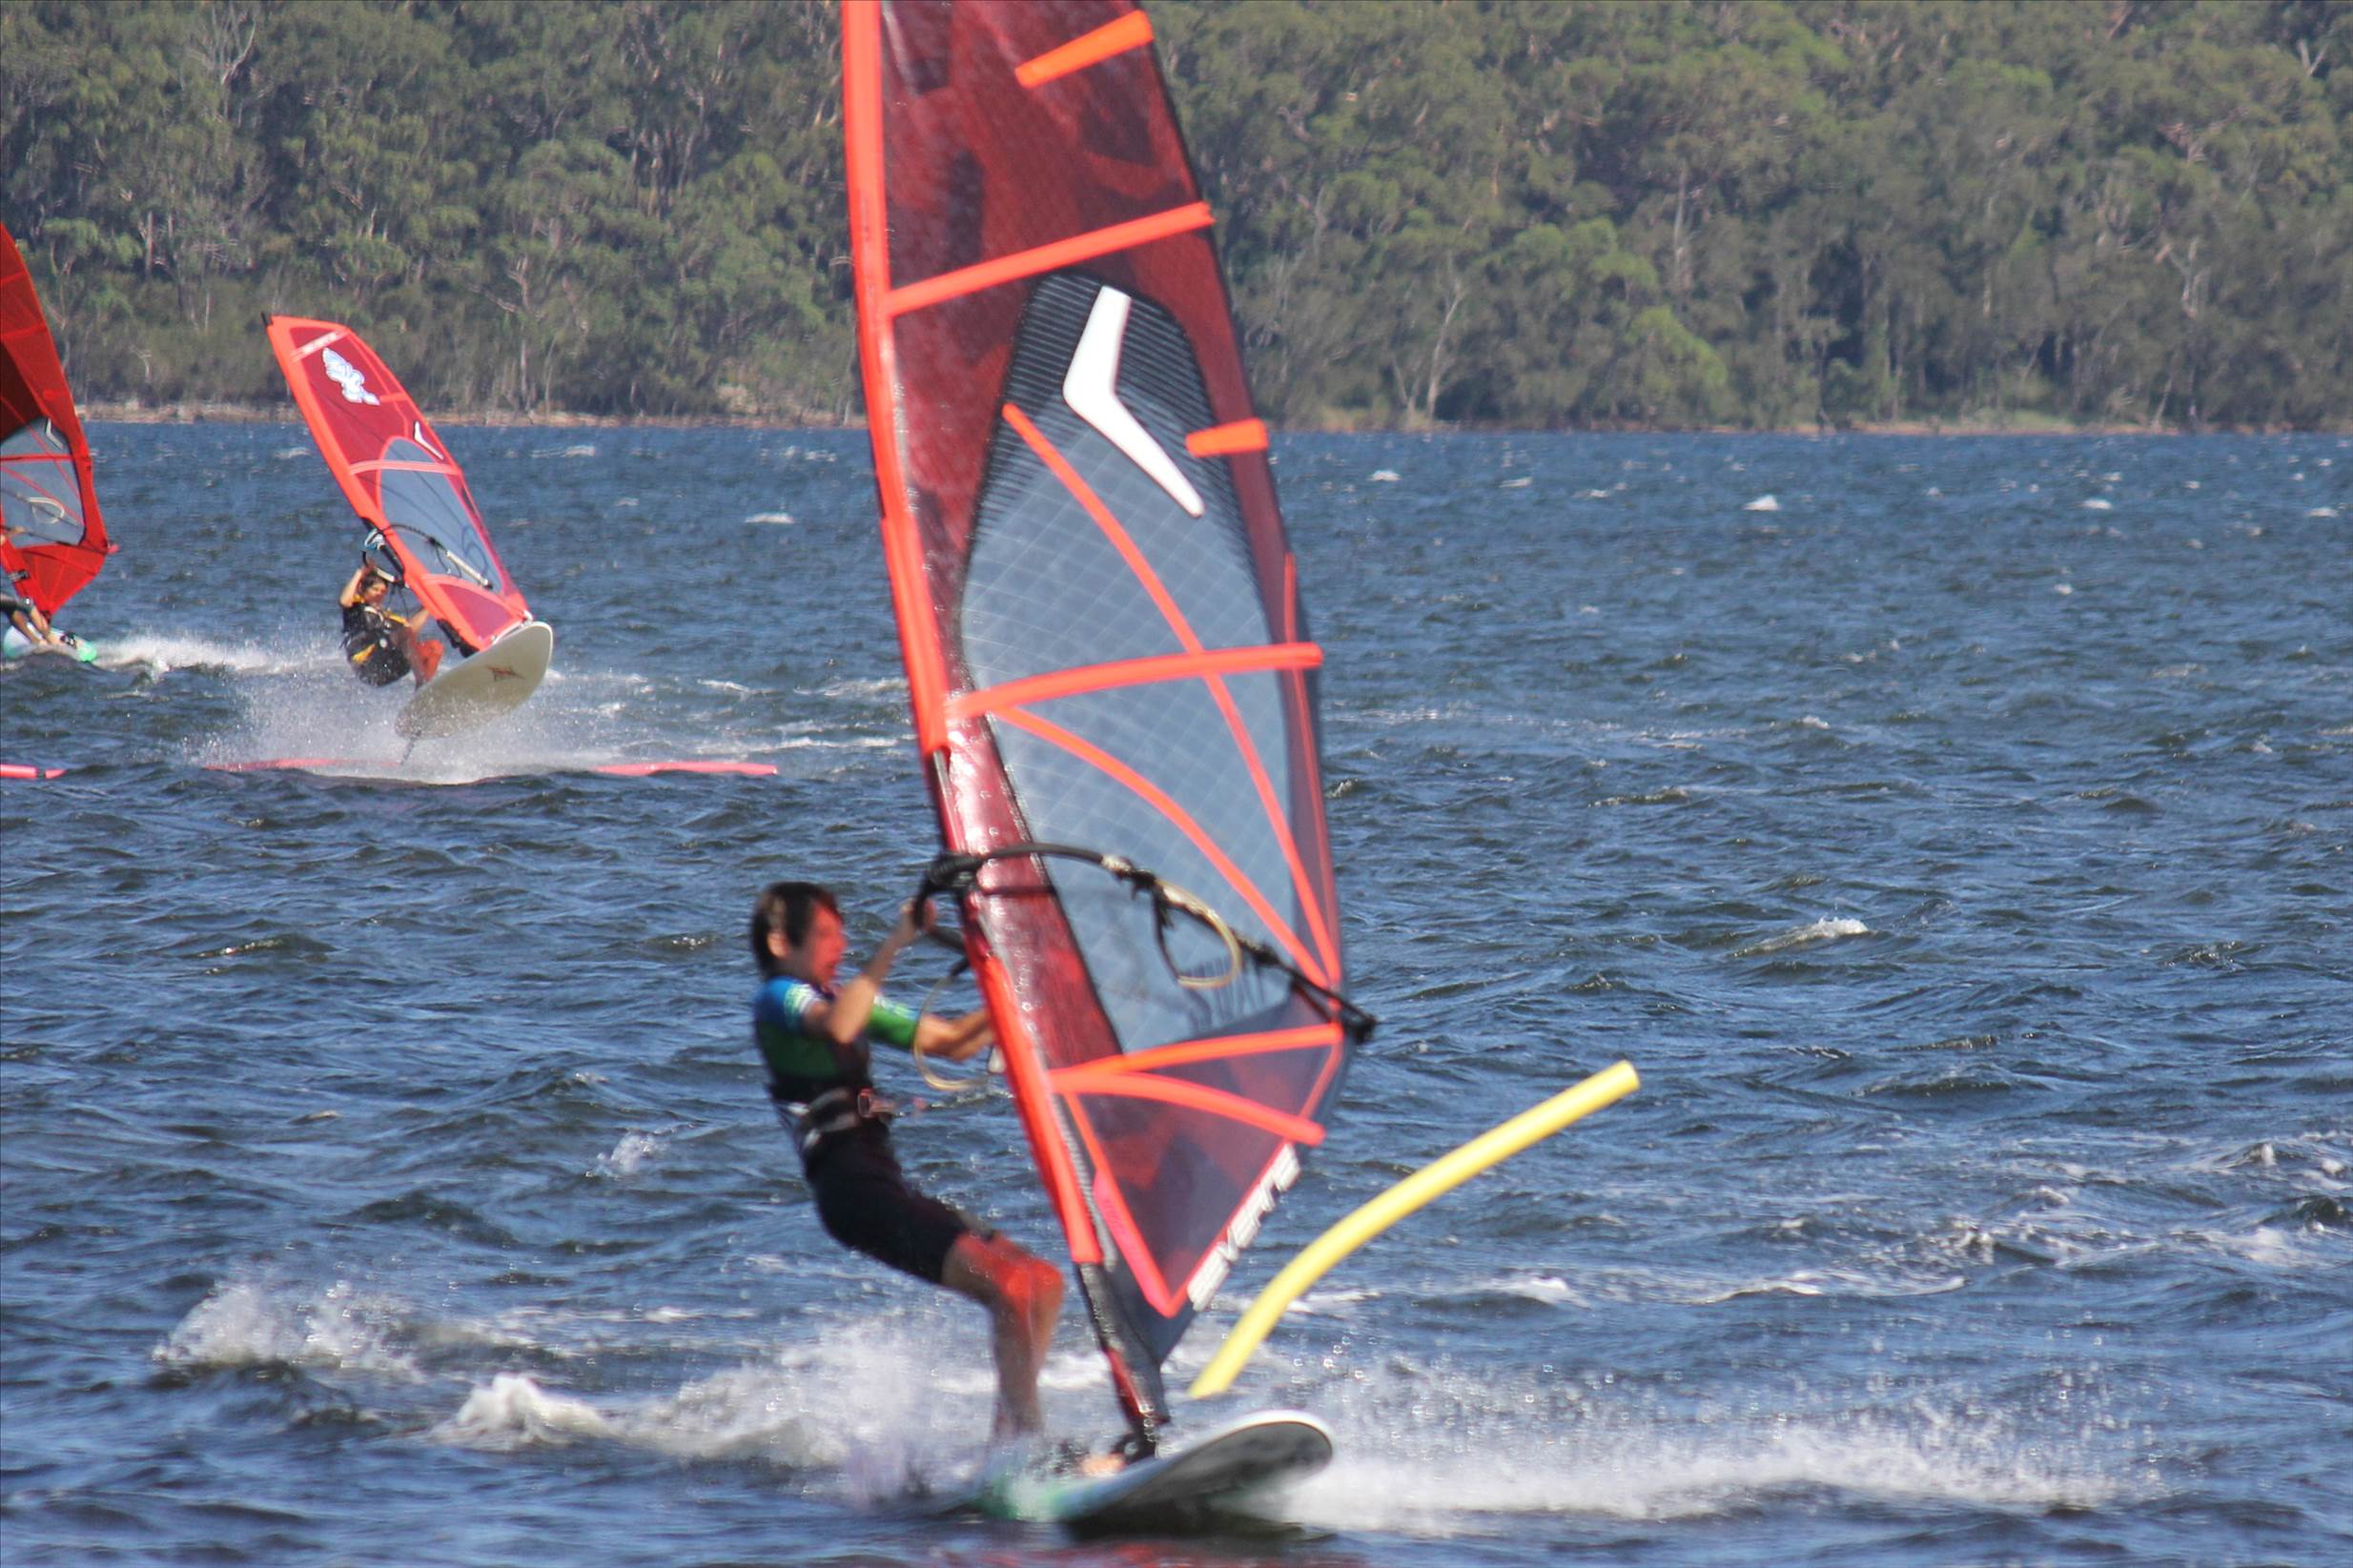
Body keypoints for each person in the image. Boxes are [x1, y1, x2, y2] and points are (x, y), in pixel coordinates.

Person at [748, 880, 1075, 1448]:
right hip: (853, 1197)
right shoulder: (778, 998)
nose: (840, 945)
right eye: (825, 934)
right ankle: (1020, 1449)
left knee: (1041, 1283)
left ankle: (1016, 1442)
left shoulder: (843, 1000)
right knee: (1009, 1288)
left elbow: (953, 1043)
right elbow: (840, 1024)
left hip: (885, 1186)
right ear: (781, 942)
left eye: (842, 933)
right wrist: (896, 942)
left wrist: (1028, 983)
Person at [338, 561, 441, 686]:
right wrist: (360, 573)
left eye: (383, 591)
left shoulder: (387, 617)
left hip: (389, 666)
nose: (379, 594)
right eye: (375, 589)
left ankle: (424, 691)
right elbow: (344, 601)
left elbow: (410, 629)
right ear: (362, 589)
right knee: (406, 633)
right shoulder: (356, 608)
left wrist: (429, 604)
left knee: (434, 648)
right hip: (367, 666)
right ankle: (422, 682)